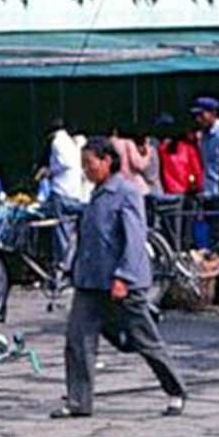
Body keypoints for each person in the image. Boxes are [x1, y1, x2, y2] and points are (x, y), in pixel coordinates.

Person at [51, 137, 187, 420]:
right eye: (83, 165)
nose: (86, 170)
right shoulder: (96, 194)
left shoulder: (126, 192)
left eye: (90, 164)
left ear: (107, 161)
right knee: (78, 340)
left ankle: (176, 389)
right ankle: (79, 401)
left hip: (121, 283)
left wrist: (124, 276)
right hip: (90, 282)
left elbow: (134, 238)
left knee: (144, 339)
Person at [44, 118, 86, 282]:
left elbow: (65, 163)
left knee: (61, 233)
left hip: (61, 191)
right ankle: (71, 267)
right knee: (71, 232)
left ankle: (62, 269)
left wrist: (50, 170)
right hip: (75, 192)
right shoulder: (71, 142)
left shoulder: (57, 141)